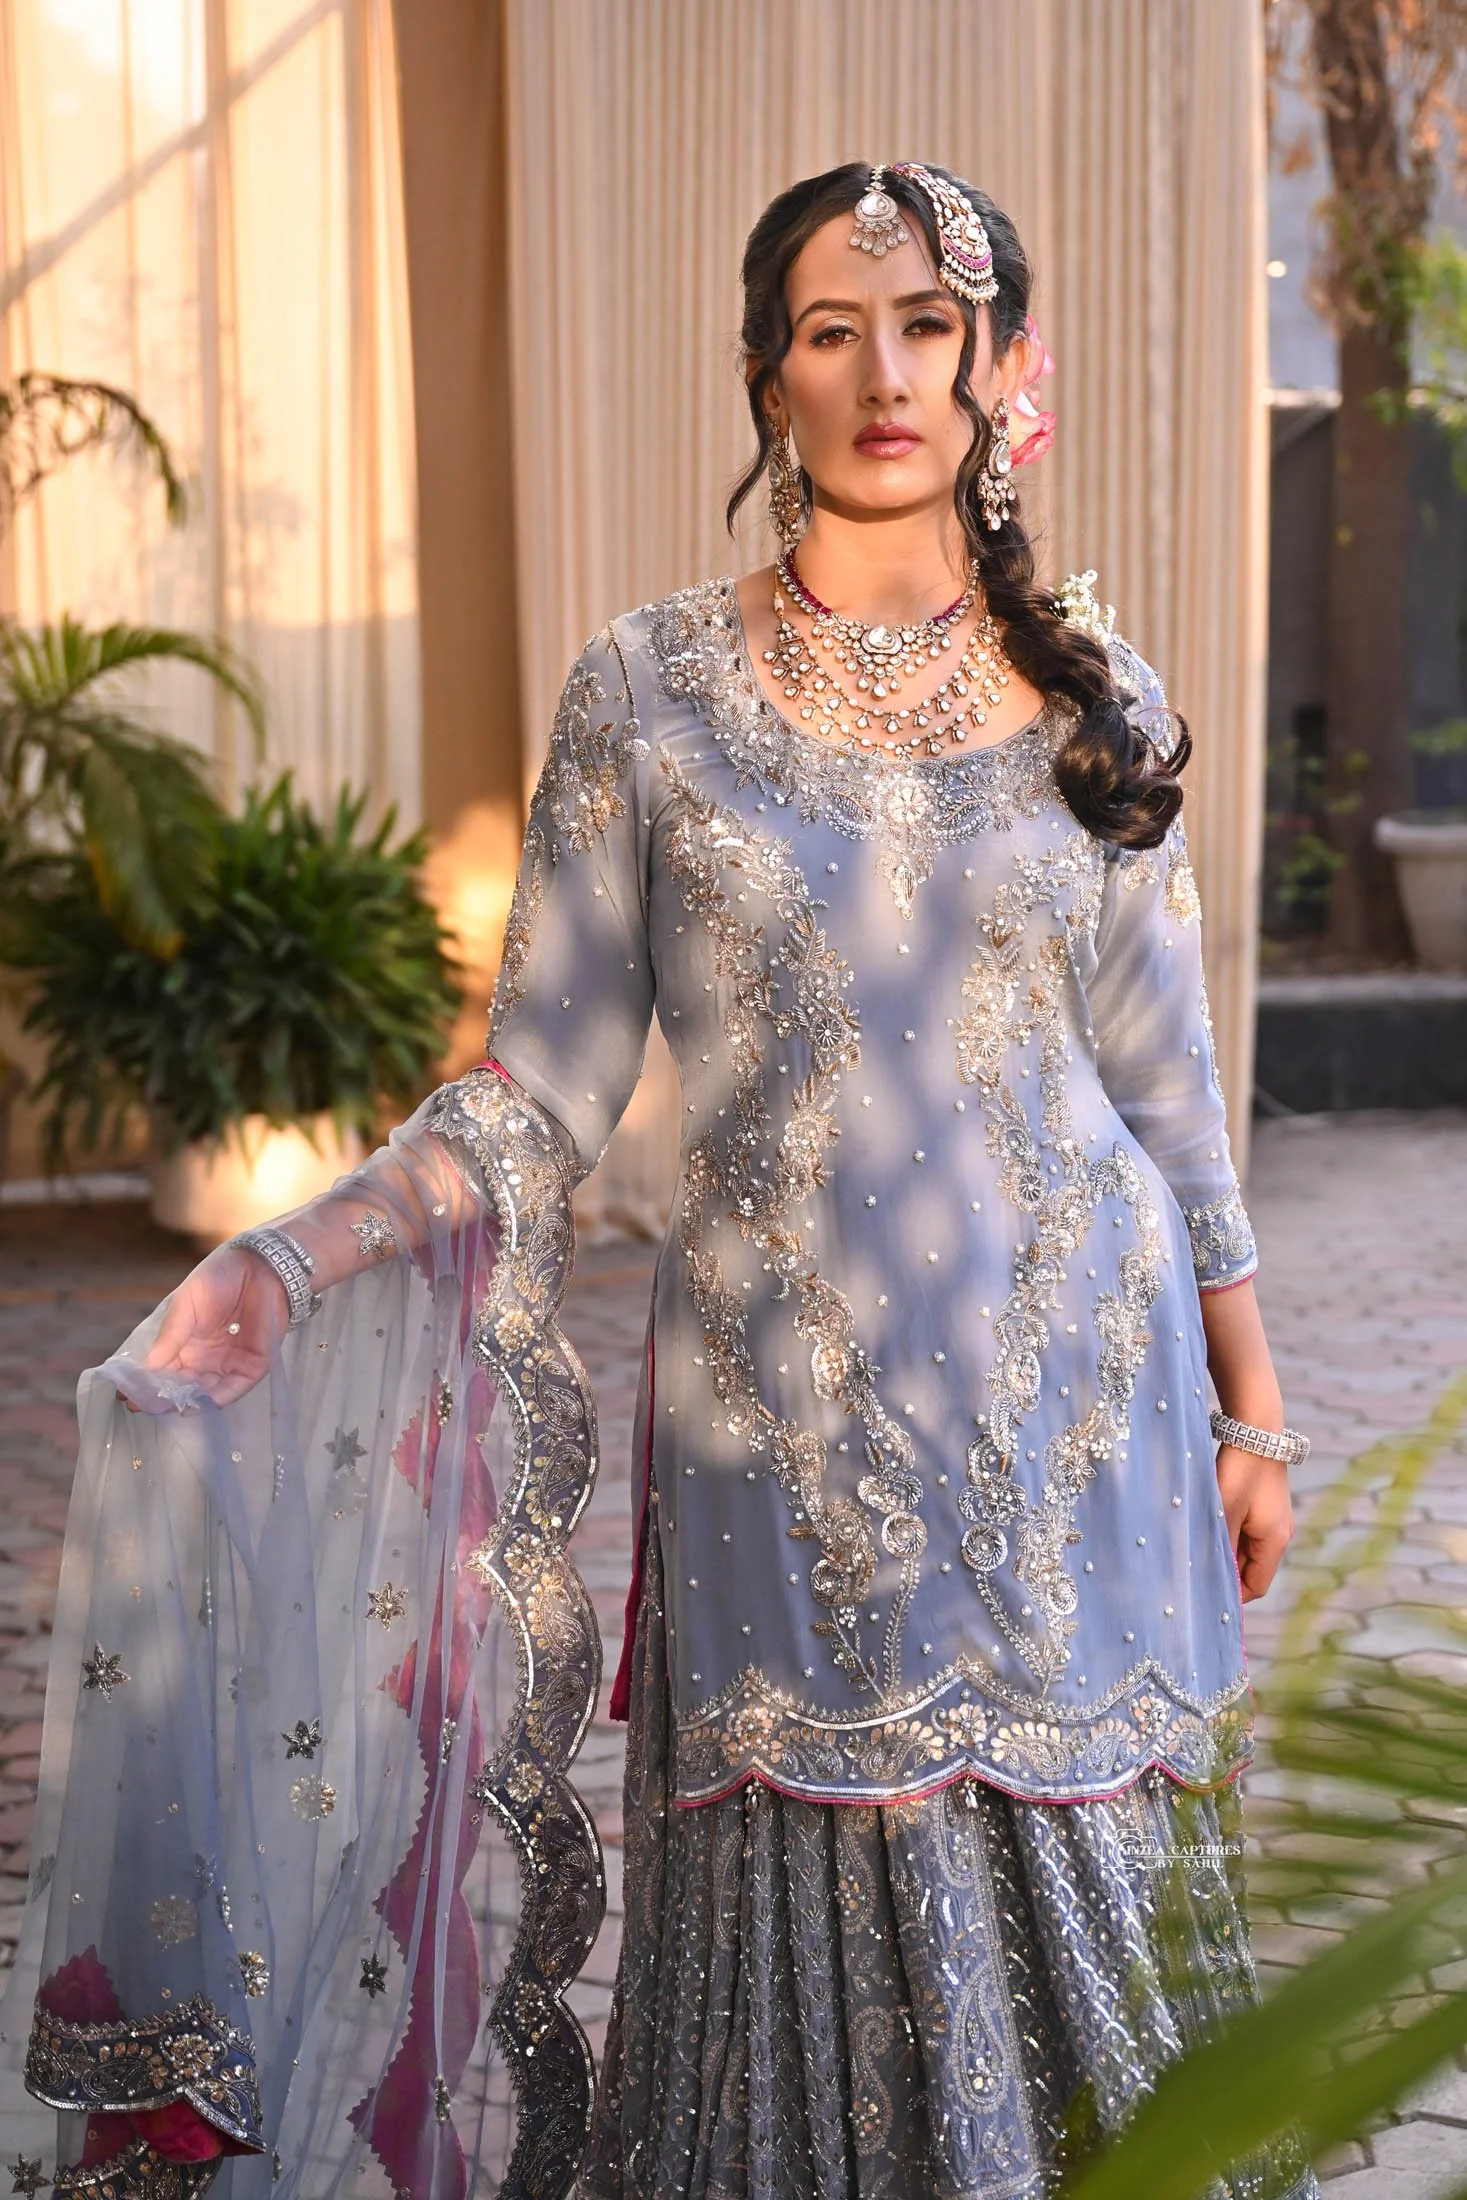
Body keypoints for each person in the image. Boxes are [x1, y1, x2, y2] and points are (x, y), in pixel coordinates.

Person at [0, 162, 1320, 2200]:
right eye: (828, 329)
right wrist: (292, 1255)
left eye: (925, 325)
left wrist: (1252, 1403)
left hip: (1084, 1428)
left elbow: (1167, 1082)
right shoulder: (651, 690)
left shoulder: (1094, 702)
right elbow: (537, 1085)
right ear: (760, 377)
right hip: (782, 1441)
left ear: (997, 369)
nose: (882, 371)